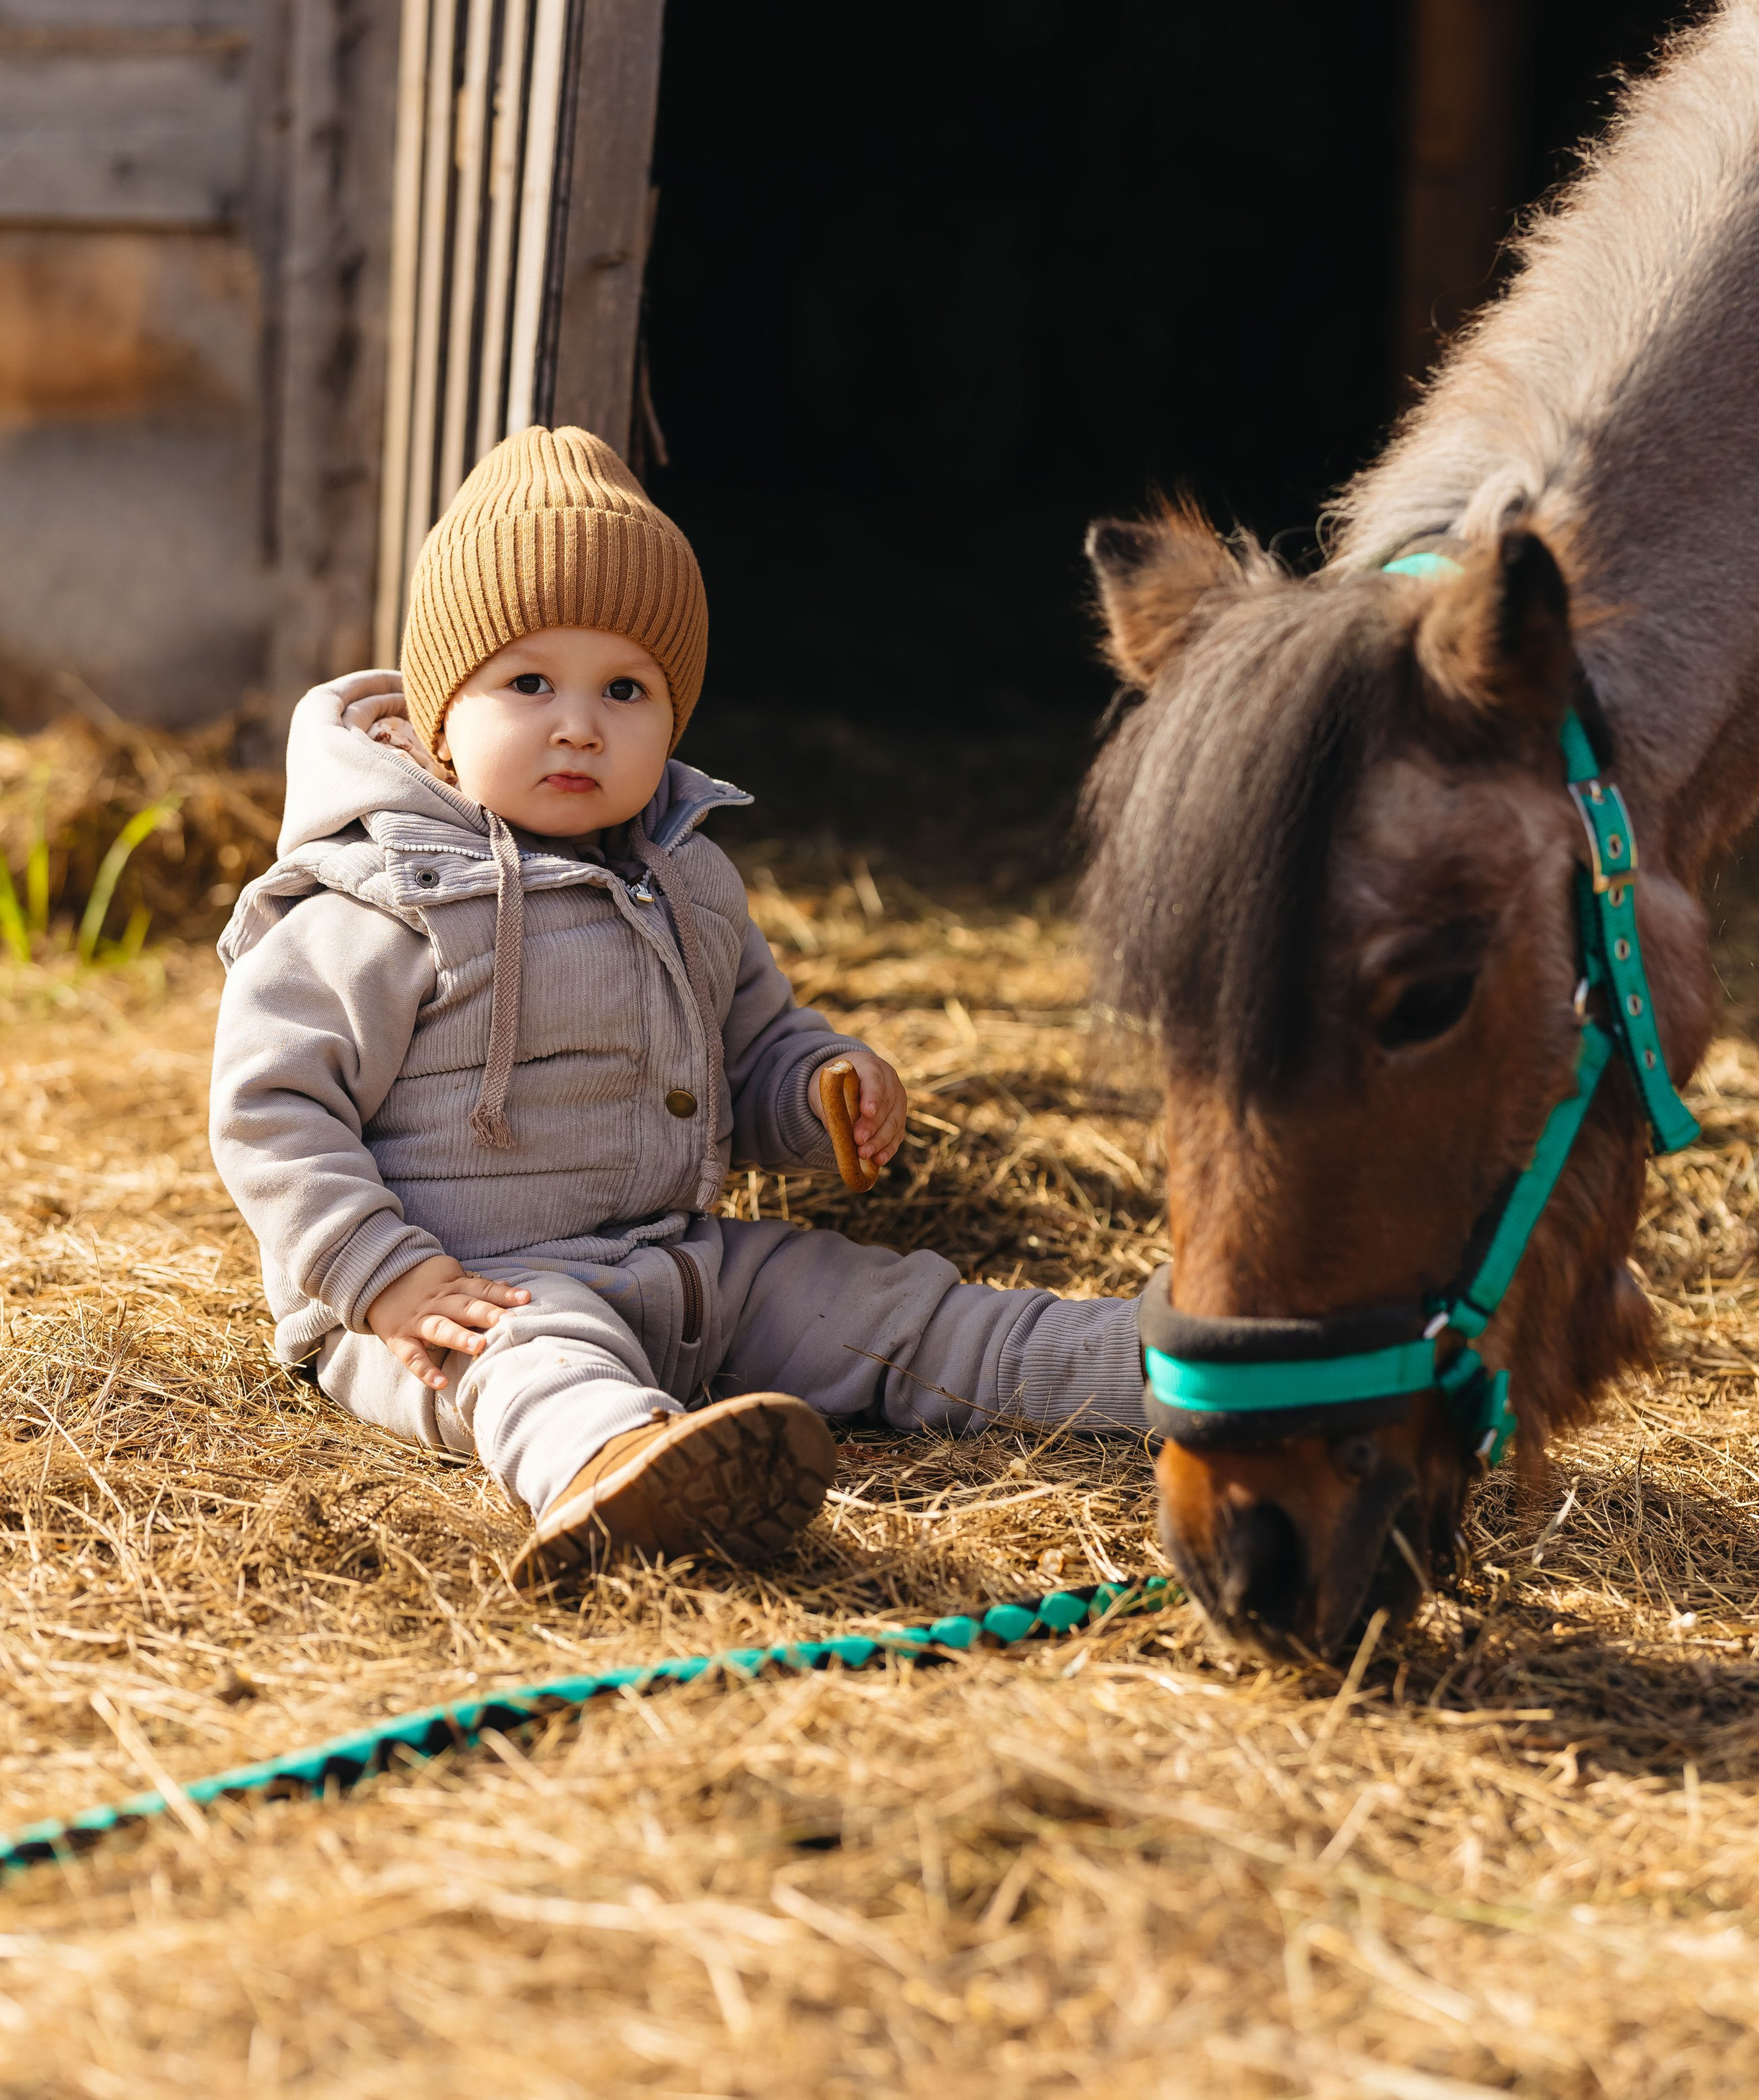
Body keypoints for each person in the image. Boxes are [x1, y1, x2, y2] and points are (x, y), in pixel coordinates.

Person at [210, 427, 1141, 1585]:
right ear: (442, 715)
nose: (579, 723)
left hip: (685, 1267)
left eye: (626, 688)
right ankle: (616, 1471)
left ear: (674, 716)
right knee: (537, 1358)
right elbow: (270, 1106)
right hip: (452, 1301)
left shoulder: (691, 877)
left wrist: (819, 1090)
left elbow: (754, 1047)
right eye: (529, 682)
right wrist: (383, 1275)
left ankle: (1159, 1364)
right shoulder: (382, 895)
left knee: (897, 1304)